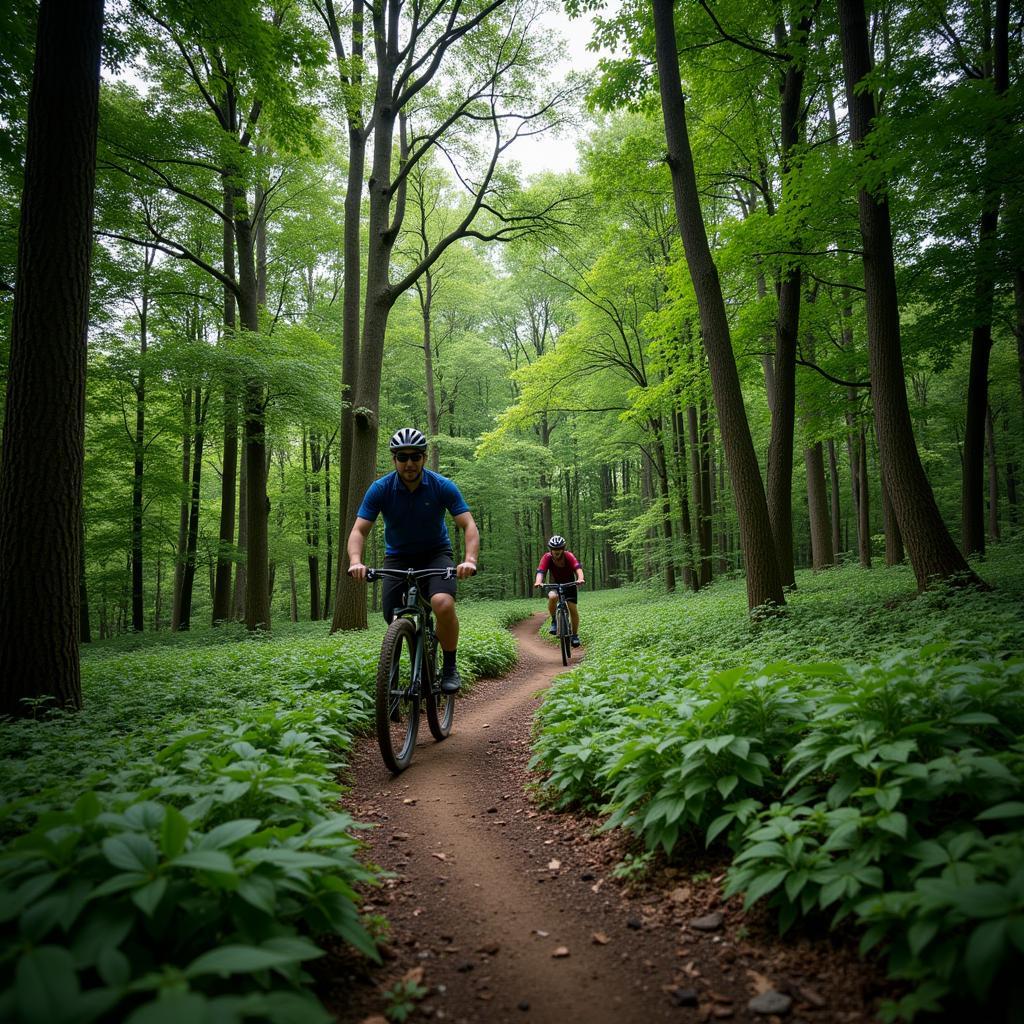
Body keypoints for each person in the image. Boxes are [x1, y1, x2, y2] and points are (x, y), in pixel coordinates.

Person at [347, 427, 479, 694]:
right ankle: (392, 672)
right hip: (398, 556)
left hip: (435, 554)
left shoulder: (442, 486)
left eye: (415, 457)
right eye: (403, 457)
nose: (409, 463)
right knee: (392, 615)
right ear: (394, 459)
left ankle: (450, 666)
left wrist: (470, 559)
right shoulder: (380, 489)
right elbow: (359, 530)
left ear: (424, 458)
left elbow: (469, 526)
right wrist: (355, 562)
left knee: (442, 603)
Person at [534, 535, 585, 647]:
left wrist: (580, 578)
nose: (557, 551)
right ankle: (554, 620)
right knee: (552, 597)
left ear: (563, 549)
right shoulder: (547, 557)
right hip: (554, 584)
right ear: (550, 550)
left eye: (559, 549)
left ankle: (575, 635)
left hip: (570, 584)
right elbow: (541, 571)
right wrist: (538, 581)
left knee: (572, 608)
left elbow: (578, 568)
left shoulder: (568, 556)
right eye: (554, 549)